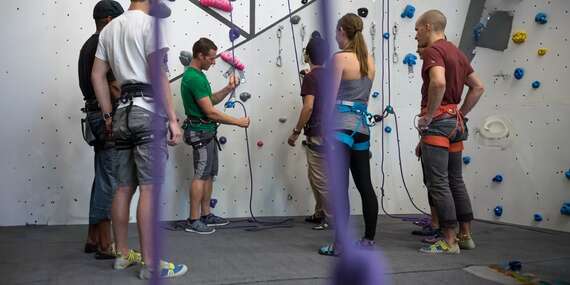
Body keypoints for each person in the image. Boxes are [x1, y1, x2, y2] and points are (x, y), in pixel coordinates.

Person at [92, 0, 187, 278]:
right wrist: (172, 119)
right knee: (149, 189)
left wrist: (108, 116)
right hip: (147, 112)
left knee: (123, 188)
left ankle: (122, 255)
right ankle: (151, 264)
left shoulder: (110, 29)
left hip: (121, 112)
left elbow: (97, 75)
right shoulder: (151, 25)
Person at [414, 9, 485, 254]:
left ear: (428, 27)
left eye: (416, 29)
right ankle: (465, 236)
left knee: (438, 183)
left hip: (439, 123)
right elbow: (478, 87)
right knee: (455, 180)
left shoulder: (434, 51)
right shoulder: (457, 52)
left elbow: (439, 82)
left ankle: (449, 240)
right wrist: (461, 114)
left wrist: (430, 116)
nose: (415, 36)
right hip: (455, 124)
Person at [319, 13, 379, 256]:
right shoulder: (369, 60)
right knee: (365, 185)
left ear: (343, 30)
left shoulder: (339, 59)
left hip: (341, 128)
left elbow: (330, 98)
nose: (334, 35)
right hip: (361, 128)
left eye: (336, 31)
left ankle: (340, 245)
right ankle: (368, 240)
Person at [180, 38, 250, 234]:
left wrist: (228, 89)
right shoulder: (193, 78)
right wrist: (238, 122)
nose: (213, 62)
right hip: (200, 132)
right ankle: (193, 220)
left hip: (207, 132)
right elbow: (210, 113)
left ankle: (205, 214)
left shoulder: (199, 76)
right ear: (200, 56)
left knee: (209, 174)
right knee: (201, 175)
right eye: (211, 58)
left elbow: (210, 101)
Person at [78, 0, 123, 259]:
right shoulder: (104, 44)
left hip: (93, 114)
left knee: (101, 177)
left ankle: (93, 238)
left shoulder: (87, 45)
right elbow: (114, 87)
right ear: (107, 20)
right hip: (107, 115)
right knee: (110, 178)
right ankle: (106, 245)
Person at [288, 32, 331, 230]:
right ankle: (320, 212)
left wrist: (296, 131)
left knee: (319, 177)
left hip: (317, 132)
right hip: (332, 131)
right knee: (317, 175)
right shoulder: (331, 76)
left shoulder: (311, 78)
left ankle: (331, 217)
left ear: (308, 56)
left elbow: (308, 107)